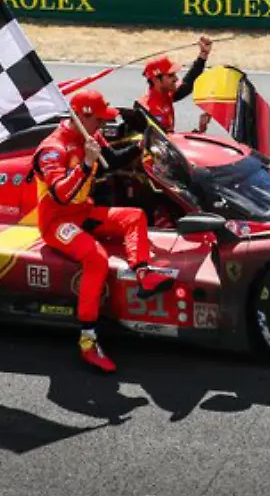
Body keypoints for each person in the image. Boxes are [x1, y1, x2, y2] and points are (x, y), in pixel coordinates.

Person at [33, 88, 173, 373]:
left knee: (134, 216)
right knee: (96, 257)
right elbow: (61, 194)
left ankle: (144, 275)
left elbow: (110, 162)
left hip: (83, 212)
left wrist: (140, 145)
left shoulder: (89, 136)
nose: (104, 124)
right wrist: (85, 163)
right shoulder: (52, 149)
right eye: (99, 119)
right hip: (56, 222)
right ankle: (87, 341)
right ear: (81, 117)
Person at [136, 36, 212, 133]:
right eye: (171, 75)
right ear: (156, 80)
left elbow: (187, 84)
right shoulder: (150, 110)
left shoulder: (165, 95)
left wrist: (203, 55)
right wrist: (200, 130)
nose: (176, 79)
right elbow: (169, 144)